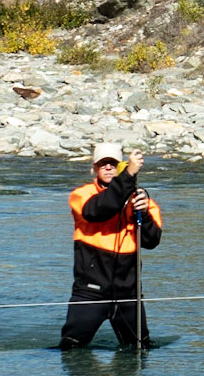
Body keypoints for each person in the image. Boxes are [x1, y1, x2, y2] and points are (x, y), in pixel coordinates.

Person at [61, 145, 162, 350]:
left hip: (129, 292)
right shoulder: (81, 195)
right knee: (71, 348)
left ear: (120, 166)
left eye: (113, 164)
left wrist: (143, 215)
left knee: (140, 348)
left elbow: (152, 241)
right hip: (90, 293)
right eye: (102, 164)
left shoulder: (142, 200)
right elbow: (97, 211)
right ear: (94, 169)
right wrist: (129, 176)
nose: (108, 168)